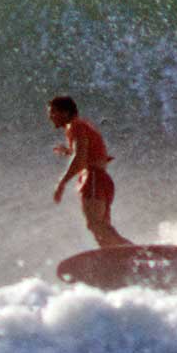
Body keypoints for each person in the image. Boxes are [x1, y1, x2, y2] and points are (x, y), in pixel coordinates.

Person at [48, 96, 133, 248]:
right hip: (103, 180)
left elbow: (80, 158)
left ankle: (135, 252)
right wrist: (69, 151)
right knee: (102, 232)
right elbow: (93, 155)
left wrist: (62, 183)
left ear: (65, 113)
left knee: (95, 225)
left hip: (93, 178)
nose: (50, 116)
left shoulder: (75, 126)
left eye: (53, 112)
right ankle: (119, 262)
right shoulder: (83, 126)